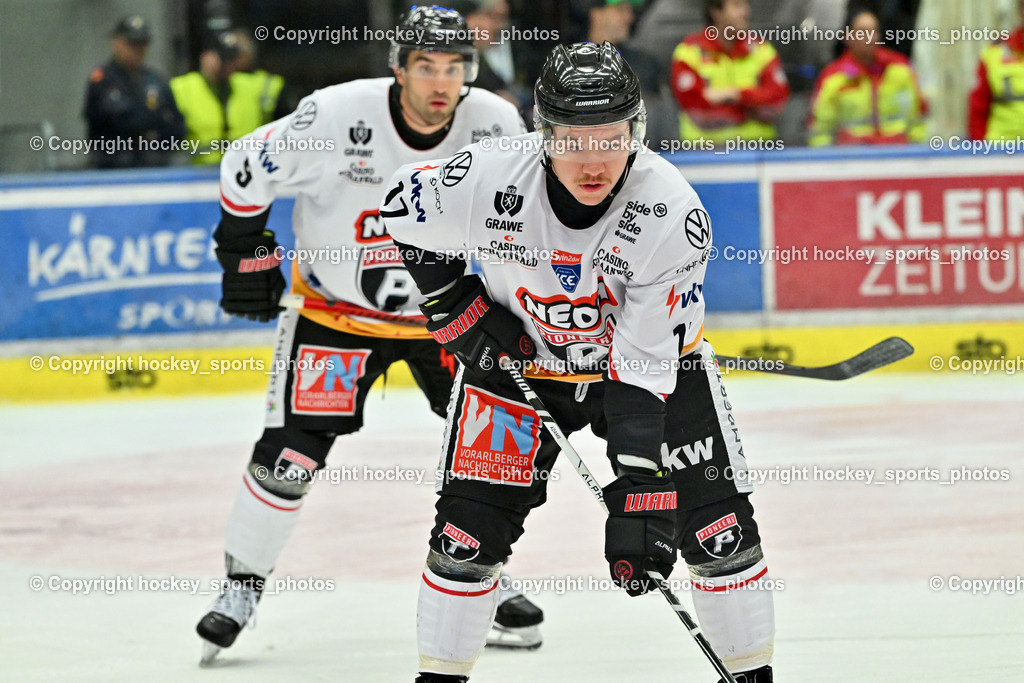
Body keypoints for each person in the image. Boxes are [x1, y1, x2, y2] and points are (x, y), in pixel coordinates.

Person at [382, 41, 776, 683]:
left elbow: (643, 367)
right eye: (573, 140)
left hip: (654, 375)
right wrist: (456, 308)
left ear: (636, 131)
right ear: (543, 134)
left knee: (718, 530)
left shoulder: (669, 210)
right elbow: (401, 213)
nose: (592, 160)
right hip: (519, 369)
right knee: (465, 535)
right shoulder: (486, 175)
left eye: (611, 138)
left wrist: (640, 488)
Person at [195, 7, 543, 665]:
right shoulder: (333, 117)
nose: (442, 84)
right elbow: (245, 163)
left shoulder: (495, 123)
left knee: (489, 451)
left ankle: (477, 572)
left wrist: (515, 302)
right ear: (397, 67)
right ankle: (240, 586)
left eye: (454, 68)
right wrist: (242, 252)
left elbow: (521, 223)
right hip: (336, 316)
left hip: (444, 316)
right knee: (290, 456)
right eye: (425, 67)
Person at [670, 0, 790, 144]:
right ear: (716, 12)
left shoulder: (761, 49)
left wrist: (735, 94)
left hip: (758, 149)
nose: (745, 12)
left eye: (745, 5)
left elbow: (777, 99)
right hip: (703, 153)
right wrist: (751, 110)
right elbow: (696, 108)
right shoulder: (689, 52)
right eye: (737, 6)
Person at [808, 8, 928, 146]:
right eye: (862, 32)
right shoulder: (833, 77)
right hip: (852, 157)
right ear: (847, 36)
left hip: (899, 155)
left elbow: (917, 120)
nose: (869, 37)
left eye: (873, 31)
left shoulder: (900, 68)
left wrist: (921, 157)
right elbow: (821, 131)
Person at [170, 30, 286, 165]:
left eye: (232, 58)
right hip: (198, 174)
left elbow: (275, 88)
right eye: (222, 58)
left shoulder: (252, 86)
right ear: (204, 56)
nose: (227, 64)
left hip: (246, 171)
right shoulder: (180, 88)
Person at [82, 15, 184, 168]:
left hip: (153, 163)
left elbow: (176, 126)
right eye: (132, 44)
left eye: (142, 44)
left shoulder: (157, 80)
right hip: (113, 165)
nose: (138, 50)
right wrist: (150, 120)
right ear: (116, 43)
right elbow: (112, 122)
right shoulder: (102, 80)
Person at [968, 0, 1024, 141]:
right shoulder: (994, 53)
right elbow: (978, 106)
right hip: (1001, 149)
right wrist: (981, 150)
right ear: (1021, 10)